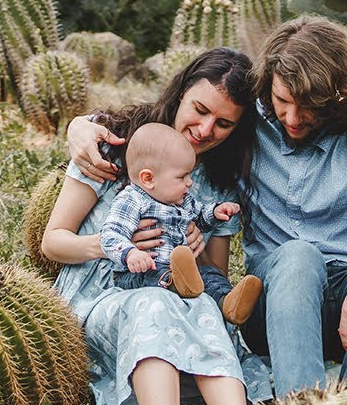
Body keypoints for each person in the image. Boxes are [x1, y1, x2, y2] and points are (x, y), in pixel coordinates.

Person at [68, 16, 347, 397]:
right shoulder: (249, 123)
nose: (292, 117)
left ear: (338, 95)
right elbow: (176, 120)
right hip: (273, 305)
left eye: (310, 106)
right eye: (282, 100)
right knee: (298, 254)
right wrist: (81, 126)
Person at [41, 48, 270, 405]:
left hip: (172, 294)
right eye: (200, 109)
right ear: (181, 92)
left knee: (199, 304)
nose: (205, 130)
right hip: (101, 295)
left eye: (223, 123)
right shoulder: (115, 145)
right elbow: (53, 241)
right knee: (153, 304)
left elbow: (208, 277)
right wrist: (116, 247)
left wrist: (197, 254)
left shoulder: (217, 182)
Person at [99, 122, 263, 325]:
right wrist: (130, 253)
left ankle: (228, 303)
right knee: (158, 274)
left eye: (190, 175)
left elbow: (199, 217)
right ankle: (179, 285)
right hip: (141, 273)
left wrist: (215, 212)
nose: (189, 182)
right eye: (182, 176)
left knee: (209, 274)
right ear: (148, 178)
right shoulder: (132, 200)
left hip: (183, 271)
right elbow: (110, 234)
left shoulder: (182, 201)